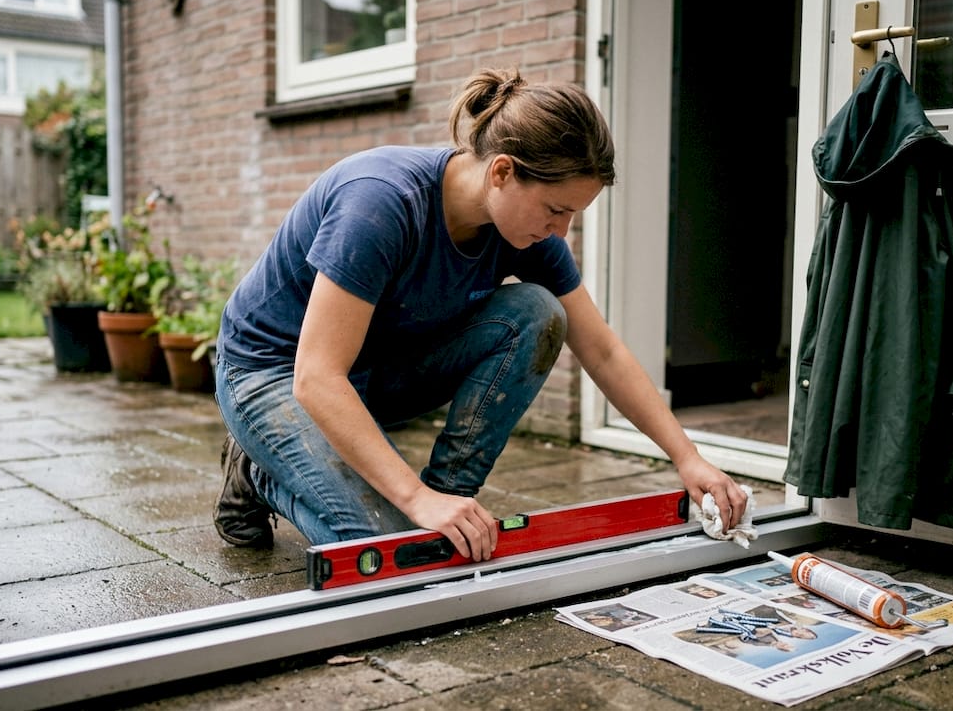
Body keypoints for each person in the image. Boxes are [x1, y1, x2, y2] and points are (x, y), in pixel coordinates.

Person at [212, 66, 751, 560]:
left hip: (372, 371)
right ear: (501, 172)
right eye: (556, 209)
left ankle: (452, 499)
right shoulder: (378, 203)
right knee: (391, 549)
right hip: (273, 373)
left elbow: (602, 349)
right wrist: (412, 498)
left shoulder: (524, 230)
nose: (561, 231)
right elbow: (317, 376)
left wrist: (688, 457)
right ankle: (257, 470)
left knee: (538, 313)